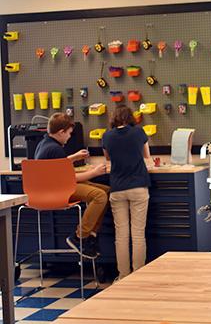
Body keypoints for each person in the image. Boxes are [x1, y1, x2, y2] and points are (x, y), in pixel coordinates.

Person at [34, 112, 108, 258]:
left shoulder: (45, 144)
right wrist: (95, 172)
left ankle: (91, 235)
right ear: (61, 132)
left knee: (107, 190)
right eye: (69, 133)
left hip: (48, 188)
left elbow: (56, 165)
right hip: (55, 192)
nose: (69, 137)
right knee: (100, 195)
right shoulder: (55, 149)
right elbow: (70, 179)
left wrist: (73, 157)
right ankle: (79, 237)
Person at [102, 105, 151, 281]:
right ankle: (138, 275)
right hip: (138, 187)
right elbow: (147, 155)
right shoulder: (139, 132)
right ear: (131, 117)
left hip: (117, 189)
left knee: (121, 235)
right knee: (138, 234)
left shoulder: (107, 136)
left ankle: (123, 275)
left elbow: (107, 158)